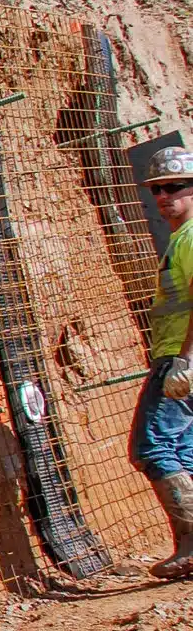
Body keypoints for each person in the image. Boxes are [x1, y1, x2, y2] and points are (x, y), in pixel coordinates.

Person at [132, 146, 193, 579]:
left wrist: (186, 360)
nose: (163, 196)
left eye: (175, 187)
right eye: (157, 189)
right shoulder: (180, 239)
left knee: (150, 445)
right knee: (185, 451)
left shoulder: (190, 239)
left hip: (181, 358)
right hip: (181, 358)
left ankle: (191, 544)